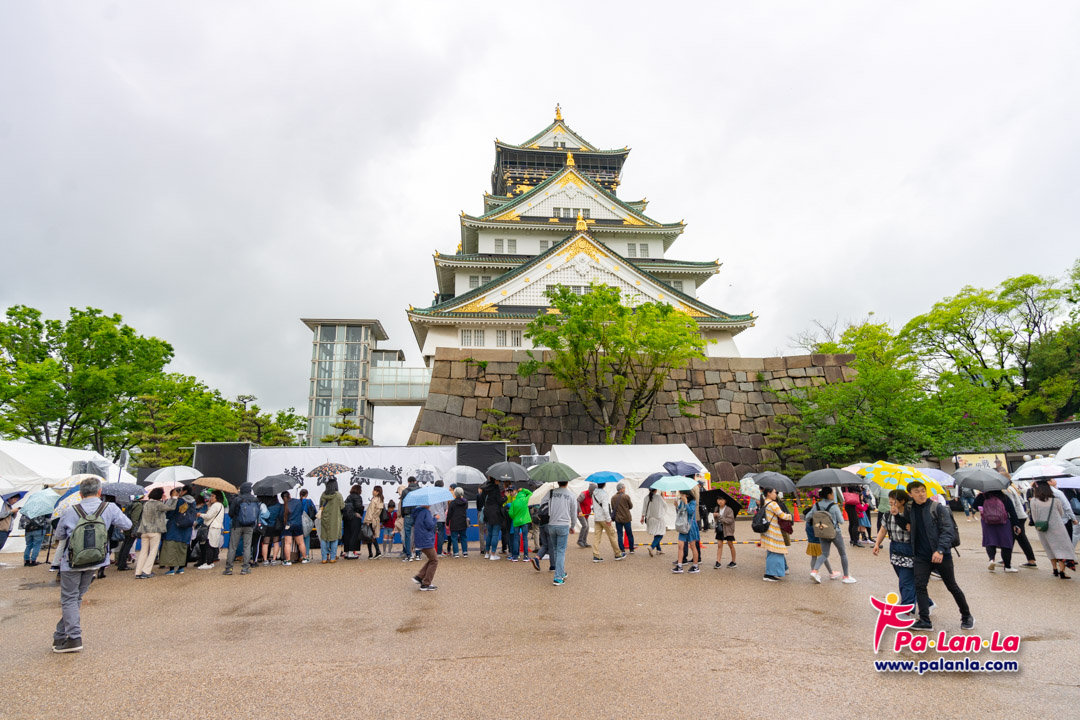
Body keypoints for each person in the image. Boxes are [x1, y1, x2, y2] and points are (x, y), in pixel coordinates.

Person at [51, 476, 131, 653]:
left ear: (80, 494)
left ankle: (74, 637)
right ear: (100, 491)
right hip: (97, 559)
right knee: (76, 598)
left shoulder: (71, 510)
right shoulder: (109, 508)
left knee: (69, 598)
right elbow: (127, 524)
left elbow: (59, 536)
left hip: (73, 561)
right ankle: (59, 635)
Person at [908, 481, 973, 630]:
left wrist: (940, 550)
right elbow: (906, 524)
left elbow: (948, 530)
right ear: (910, 494)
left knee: (952, 586)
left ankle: (967, 615)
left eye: (923, 490)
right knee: (920, 586)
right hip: (921, 555)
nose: (921, 494)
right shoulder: (910, 508)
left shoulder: (937, 508)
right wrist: (898, 517)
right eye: (916, 491)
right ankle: (925, 620)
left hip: (941, 554)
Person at [873, 489, 919, 617]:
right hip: (894, 547)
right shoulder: (887, 514)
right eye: (890, 501)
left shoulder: (910, 514)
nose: (891, 503)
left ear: (903, 501)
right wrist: (877, 544)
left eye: (894, 501)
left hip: (909, 547)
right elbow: (883, 530)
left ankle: (907, 610)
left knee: (905, 581)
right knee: (905, 579)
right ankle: (928, 603)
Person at [1030, 481, 1076, 579]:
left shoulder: (1033, 501)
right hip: (1058, 527)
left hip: (1043, 528)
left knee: (1049, 548)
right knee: (1061, 548)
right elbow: (1061, 513)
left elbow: (1034, 517)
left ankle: (1054, 569)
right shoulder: (1056, 500)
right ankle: (1062, 571)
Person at [809, 487, 855, 584]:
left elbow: (808, 517)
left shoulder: (816, 505)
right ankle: (846, 576)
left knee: (824, 554)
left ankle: (815, 571)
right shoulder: (833, 506)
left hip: (822, 532)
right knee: (842, 553)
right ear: (829, 495)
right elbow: (842, 521)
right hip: (835, 532)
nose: (833, 496)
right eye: (832, 494)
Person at [971, 488, 1019, 572]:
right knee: (1006, 544)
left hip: (987, 523)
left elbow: (974, 506)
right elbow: (1012, 511)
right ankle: (1007, 567)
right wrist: (1016, 524)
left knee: (990, 541)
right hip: (1003, 522)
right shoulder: (1004, 497)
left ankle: (991, 560)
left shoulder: (982, 496)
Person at [223, 482, 260, 576]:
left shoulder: (237, 499)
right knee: (247, 546)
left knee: (232, 547)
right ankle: (245, 568)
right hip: (250, 526)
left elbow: (231, 513)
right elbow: (257, 513)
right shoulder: (255, 499)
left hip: (237, 525)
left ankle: (229, 568)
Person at [132, 488, 167, 579]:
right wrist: (166, 499)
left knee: (143, 552)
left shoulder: (146, 504)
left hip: (144, 531)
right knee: (153, 552)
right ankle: (146, 571)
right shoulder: (158, 504)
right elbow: (170, 507)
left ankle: (138, 572)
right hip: (155, 531)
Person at [758, 487, 792, 581]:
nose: (775, 494)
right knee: (776, 552)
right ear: (768, 493)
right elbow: (782, 515)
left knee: (771, 552)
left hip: (767, 531)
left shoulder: (764, 502)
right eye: (774, 492)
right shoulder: (773, 504)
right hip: (774, 531)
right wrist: (790, 516)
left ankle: (771, 573)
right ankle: (769, 574)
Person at [161, 490, 196, 575]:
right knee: (182, 548)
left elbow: (170, 513)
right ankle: (181, 568)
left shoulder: (179, 500)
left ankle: (171, 569)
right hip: (186, 528)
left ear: (184, 491)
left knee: (171, 547)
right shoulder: (193, 502)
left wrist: (173, 499)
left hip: (174, 527)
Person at [547, 481, 576, 585]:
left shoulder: (551, 492)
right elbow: (574, 512)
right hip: (563, 524)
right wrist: (573, 526)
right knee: (561, 551)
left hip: (551, 524)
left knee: (556, 550)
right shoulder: (571, 495)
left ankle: (561, 572)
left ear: (558, 482)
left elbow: (542, 503)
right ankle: (558, 577)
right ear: (567, 482)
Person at [1004, 480, 1038, 568]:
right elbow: (1022, 501)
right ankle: (1031, 560)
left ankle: (1006, 560)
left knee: (1010, 538)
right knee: (1021, 538)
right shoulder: (1013, 488)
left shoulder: (1007, 490)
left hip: (1015, 516)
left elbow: (1012, 506)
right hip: (1021, 515)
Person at [591, 482, 623, 562]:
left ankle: (596, 555)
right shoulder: (604, 494)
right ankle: (618, 554)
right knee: (612, 535)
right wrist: (608, 519)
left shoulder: (594, 493)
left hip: (597, 518)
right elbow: (605, 508)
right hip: (604, 518)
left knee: (596, 537)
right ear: (604, 484)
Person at [410, 502, 438, 590]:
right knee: (434, 560)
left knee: (432, 559)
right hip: (426, 539)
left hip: (419, 539)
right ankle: (426, 583)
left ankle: (419, 577)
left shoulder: (417, 512)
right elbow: (430, 525)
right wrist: (435, 519)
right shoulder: (426, 512)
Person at [195, 490, 226, 570]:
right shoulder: (220, 505)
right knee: (213, 545)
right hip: (217, 527)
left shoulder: (215, 505)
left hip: (212, 528)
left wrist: (200, 515)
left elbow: (208, 516)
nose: (211, 498)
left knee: (209, 545)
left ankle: (208, 562)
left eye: (213, 496)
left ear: (217, 497)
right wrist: (209, 505)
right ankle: (210, 562)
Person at [113, 494, 143, 572]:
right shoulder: (138, 505)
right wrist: (134, 531)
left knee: (125, 545)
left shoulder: (129, 504)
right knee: (127, 546)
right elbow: (135, 519)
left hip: (127, 527)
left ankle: (120, 562)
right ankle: (122, 565)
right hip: (131, 529)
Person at [672, 490, 700, 574]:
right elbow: (680, 513)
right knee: (680, 545)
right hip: (683, 526)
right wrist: (677, 507)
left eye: (682, 494)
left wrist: (686, 503)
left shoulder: (693, 502)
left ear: (687, 495)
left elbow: (691, 512)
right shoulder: (682, 502)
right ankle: (679, 565)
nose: (681, 495)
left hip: (690, 526)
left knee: (692, 546)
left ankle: (695, 565)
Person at [280, 490, 311, 565]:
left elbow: (281, 516)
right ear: (290, 495)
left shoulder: (284, 505)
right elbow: (301, 511)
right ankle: (304, 558)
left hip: (288, 525)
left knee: (287, 543)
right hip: (298, 524)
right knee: (301, 543)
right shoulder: (298, 502)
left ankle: (287, 561)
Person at [318, 479, 344, 564]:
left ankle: (324, 558)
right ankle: (333, 557)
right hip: (335, 519)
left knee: (324, 538)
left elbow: (320, 506)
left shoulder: (323, 495)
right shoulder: (338, 495)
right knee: (334, 538)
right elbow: (342, 506)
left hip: (325, 519)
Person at [480, 477, 504, 560]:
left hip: (487, 512)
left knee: (489, 534)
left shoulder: (485, 488)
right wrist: (506, 498)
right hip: (496, 513)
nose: (499, 482)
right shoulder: (496, 488)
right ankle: (493, 554)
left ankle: (487, 553)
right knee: (495, 534)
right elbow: (499, 501)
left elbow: (482, 499)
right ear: (495, 480)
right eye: (498, 480)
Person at [507, 486, 532, 561]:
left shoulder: (514, 502)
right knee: (525, 539)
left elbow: (510, 512)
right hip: (524, 521)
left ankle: (515, 556)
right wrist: (524, 489)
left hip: (516, 521)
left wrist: (514, 517)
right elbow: (531, 493)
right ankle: (526, 556)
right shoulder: (526, 499)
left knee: (515, 538)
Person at [399, 477, 420, 561]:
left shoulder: (405, 491)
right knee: (418, 535)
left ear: (408, 482)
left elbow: (403, 504)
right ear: (415, 481)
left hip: (408, 515)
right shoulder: (420, 490)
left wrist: (403, 514)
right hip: (418, 514)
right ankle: (418, 555)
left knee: (407, 535)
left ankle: (409, 555)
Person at [712, 496, 736, 569]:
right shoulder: (717, 508)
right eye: (718, 499)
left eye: (722, 499)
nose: (720, 501)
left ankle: (733, 561)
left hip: (728, 529)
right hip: (720, 528)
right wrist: (715, 516)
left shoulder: (729, 509)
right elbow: (716, 520)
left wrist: (719, 516)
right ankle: (718, 562)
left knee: (730, 544)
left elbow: (730, 520)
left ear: (725, 501)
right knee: (719, 545)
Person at [611, 482, 635, 554]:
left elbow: (612, 508)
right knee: (629, 534)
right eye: (624, 488)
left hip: (618, 518)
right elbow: (630, 506)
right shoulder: (626, 496)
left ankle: (622, 549)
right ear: (621, 489)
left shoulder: (613, 498)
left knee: (619, 534)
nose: (624, 489)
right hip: (626, 518)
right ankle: (631, 549)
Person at [642, 488, 667, 557]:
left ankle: (659, 550)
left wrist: (642, 517)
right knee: (661, 533)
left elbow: (644, 509)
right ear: (655, 490)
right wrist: (663, 497)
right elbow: (665, 505)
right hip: (658, 518)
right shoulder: (658, 497)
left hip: (650, 519)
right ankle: (652, 547)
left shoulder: (646, 498)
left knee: (656, 533)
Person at [342, 485, 365, 559]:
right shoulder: (358, 497)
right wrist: (361, 510)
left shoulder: (349, 497)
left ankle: (347, 551)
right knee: (354, 535)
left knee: (347, 534)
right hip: (355, 518)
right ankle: (352, 552)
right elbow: (358, 506)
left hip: (347, 518)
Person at [259, 496, 283, 565]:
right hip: (276, 526)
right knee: (276, 543)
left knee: (265, 543)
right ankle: (274, 559)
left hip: (267, 526)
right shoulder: (279, 505)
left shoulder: (265, 505)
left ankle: (265, 560)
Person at [363, 485, 385, 559]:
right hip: (376, 520)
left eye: (374, 490)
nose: (373, 491)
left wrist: (368, 520)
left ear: (377, 492)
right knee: (373, 536)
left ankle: (372, 553)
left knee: (369, 536)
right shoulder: (381, 500)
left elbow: (370, 511)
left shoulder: (373, 500)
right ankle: (376, 552)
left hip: (371, 520)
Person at [447, 487, 470, 557]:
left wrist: (447, 522)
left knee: (454, 538)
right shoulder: (465, 502)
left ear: (455, 494)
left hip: (454, 522)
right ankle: (465, 552)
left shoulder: (452, 503)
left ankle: (456, 553)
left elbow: (449, 514)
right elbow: (466, 508)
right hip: (463, 521)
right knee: (463, 537)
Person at [431, 480, 448, 556]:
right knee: (441, 534)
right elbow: (445, 506)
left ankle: (431, 552)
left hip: (431, 517)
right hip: (440, 517)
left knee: (432, 534)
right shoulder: (443, 494)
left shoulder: (431, 493)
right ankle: (439, 552)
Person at [298, 488, 317, 557]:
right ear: (307, 494)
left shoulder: (298, 501)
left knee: (300, 539)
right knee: (307, 537)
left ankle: (300, 555)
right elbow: (314, 511)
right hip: (307, 521)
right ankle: (306, 554)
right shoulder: (309, 501)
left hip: (299, 521)